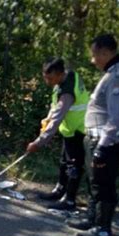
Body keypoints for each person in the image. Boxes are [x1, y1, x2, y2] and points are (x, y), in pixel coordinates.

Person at [68, 34, 119, 236]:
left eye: (95, 55)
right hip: (95, 138)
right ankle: (92, 219)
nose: (92, 59)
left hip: (107, 142)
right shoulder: (110, 73)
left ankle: (103, 228)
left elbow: (115, 117)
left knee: (103, 185)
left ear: (106, 53)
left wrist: (102, 147)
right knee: (94, 182)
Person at [27, 58, 89, 211]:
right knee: (64, 162)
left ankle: (69, 200)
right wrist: (47, 118)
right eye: (45, 77)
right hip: (69, 129)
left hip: (79, 130)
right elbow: (55, 108)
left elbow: (57, 119)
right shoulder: (67, 78)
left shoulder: (67, 91)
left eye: (50, 78)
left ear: (60, 74)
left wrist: (39, 142)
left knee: (73, 166)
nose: (47, 81)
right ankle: (59, 191)